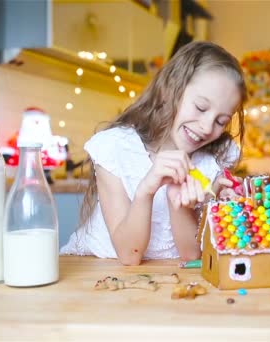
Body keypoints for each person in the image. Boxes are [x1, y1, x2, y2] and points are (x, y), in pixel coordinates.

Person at [60, 42, 247, 265]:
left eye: (221, 121)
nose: (207, 127)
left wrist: (178, 203)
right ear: (170, 90)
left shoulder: (212, 162)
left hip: (167, 279)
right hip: (97, 270)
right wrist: (146, 190)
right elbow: (130, 255)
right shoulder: (115, 148)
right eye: (200, 107)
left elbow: (191, 256)